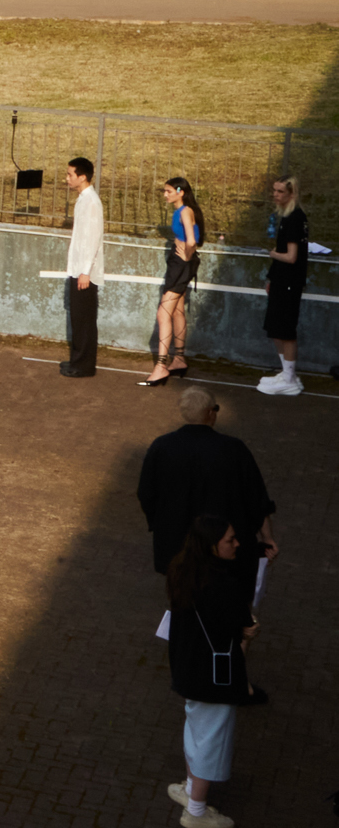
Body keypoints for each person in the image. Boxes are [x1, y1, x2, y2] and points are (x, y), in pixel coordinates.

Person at [163, 513, 263, 828]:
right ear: (211, 546)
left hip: (188, 668)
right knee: (211, 739)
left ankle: (192, 789)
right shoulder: (224, 585)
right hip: (215, 677)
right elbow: (241, 632)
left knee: (195, 730)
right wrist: (249, 635)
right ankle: (196, 810)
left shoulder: (181, 571)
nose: (236, 544)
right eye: (229, 540)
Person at [136, 386, 279, 577]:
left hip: (176, 544)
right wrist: (267, 538)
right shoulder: (234, 449)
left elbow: (146, 492)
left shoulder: (161, 446)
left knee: (183, 597)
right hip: (223, 549)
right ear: (210, 412)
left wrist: (162, 524)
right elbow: (256, 497)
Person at [144, 178, 204, 386]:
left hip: (181, 264)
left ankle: (161, 366)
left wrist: (186, 258)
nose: (165, 195)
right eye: (164, 191)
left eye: (169, 191)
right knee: (177, 309)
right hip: (180, 263)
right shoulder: (181, 210)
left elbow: (192, 241)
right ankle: (178, 358)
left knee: (163, 312)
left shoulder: (186, 211)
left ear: (180, 191)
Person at [260, 175, 308, 396]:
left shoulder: (294, 219)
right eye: (274, 190)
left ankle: (289, 378)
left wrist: (271, 253)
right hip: (281, 280)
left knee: (285, 330)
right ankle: (287, 373)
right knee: (275, 328)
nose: (275, 195)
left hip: (289, 283)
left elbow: (291, 257)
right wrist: (272, 277)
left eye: (280, 191)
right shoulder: (287, 216)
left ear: (291, 194)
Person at [60, 155, 105, 378]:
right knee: (78, 318)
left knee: (84, 320)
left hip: (85, 272)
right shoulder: (83, 200)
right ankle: (77, 360)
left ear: (82, 177)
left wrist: (86, 271)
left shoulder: (92, 202)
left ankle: (84, 366)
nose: (66, 178)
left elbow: (93, 239)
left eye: (70, 175)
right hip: (78, 269)